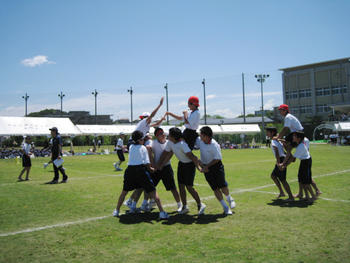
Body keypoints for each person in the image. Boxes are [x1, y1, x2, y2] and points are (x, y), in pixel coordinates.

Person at [112, 130, 169, 219]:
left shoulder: (131, 147)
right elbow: (147, 163)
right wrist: (152, 169)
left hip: (130, 171)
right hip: (141, 170)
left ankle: (117, 211)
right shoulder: (143, 148)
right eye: (142, 139)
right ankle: (162, 212)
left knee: (124, 192)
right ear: (139, 140)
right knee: (153, 191)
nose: (144, 140)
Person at [157, 127, 206, 215]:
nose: (168, 135)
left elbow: (192, 157)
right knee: (181, 186)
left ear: (173, 136)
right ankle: (184, 207)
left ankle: (200, 204)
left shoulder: (182, 144)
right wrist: (160, 164)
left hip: (189, 165)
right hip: (182, 165)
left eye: (169, 134)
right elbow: (166, 153)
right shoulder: (170, 143)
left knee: (189, 187)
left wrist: (198, 167)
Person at [195, 126, 236, 215]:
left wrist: (207, 167)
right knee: (215, 188)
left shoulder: (214, 144)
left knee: (223, 186)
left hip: (216, 166)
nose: (199, 136)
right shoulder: (200, 141)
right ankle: (225, 207)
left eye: (201, 134)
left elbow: (217, 158)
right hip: (206, 167)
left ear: (206, 136)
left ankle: (229, 198)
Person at [143, 127, 182, 212]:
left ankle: (179, 204)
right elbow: (148, 149)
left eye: (163, 133)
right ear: (156, 136)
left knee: (173, 188)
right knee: (149, 186)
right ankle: (145, 203)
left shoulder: (169, 143)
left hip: (166, 167)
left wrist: (162, 165)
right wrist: (154, 165)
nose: (163, 135)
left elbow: (170, 154)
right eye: (160, 134)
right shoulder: (154, 143)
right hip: (156, 169)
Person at [279, 131, 316, 202]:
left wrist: (284, 165)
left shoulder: (300, 147)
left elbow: (292, 159)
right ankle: (307, 196)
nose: (293, 137)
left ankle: (313, 197)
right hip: (304, 161)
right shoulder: (298, 143)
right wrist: (281, 140)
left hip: (306, 162)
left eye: (294, 136)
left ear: (298, 138)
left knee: (306, 182)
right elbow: (289, 142)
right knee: (301, 179)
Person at [266, 127, 294, 201]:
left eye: (268, 132)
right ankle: (282, 192)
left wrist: (279, 163)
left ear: (272, 133)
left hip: (281, 159)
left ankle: (291, 196)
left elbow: (277, 152)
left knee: (283, 180)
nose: (267, 133)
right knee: (273, 176)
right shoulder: (276, 140)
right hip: (282, 159)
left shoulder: (274, 141)